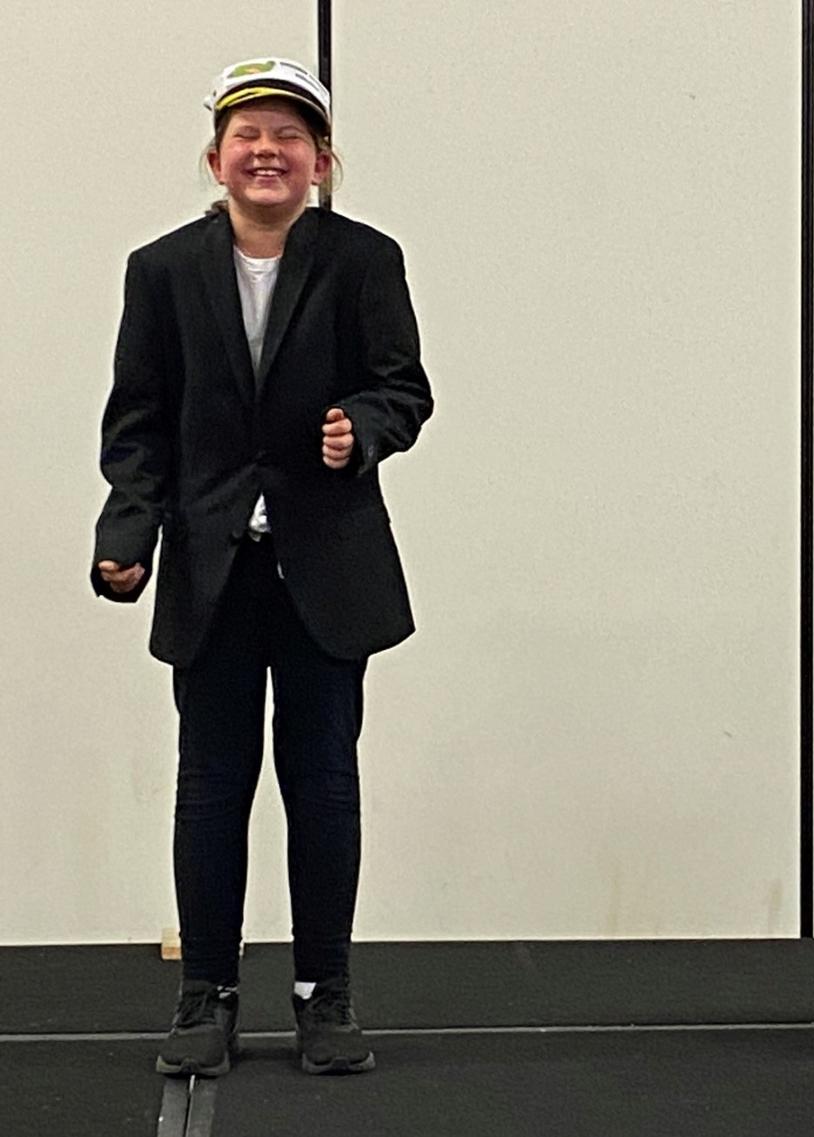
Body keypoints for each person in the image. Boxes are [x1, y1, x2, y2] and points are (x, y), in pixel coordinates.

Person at [91, 57, 434, 1076]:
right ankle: (207, 993)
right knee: (210, 786)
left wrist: (362, 427)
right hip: (212, 569)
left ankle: (326, 993)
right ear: (217, 159)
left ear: (321, 162)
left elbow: (404, 388)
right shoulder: (161, 270)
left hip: (326, 565)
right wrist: (127, 534)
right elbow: (138, 420)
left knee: (323, 782)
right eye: (248, 135)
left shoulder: (365, 260)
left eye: (290, 136)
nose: (267, 151)